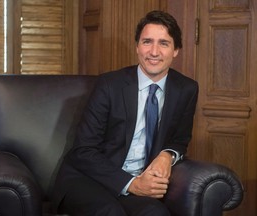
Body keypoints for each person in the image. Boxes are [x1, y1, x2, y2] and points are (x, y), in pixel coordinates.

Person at [52, 10, 199, 216]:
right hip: (87, 179)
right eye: (147, 42)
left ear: (176, 50)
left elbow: (180, 139)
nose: (154, 52)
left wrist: (167, 155)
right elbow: (83, 150)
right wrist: (131, 184)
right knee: (110, 212)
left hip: (139, 183)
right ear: (137, 46)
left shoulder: (186, 89)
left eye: (163, 43)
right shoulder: (109, 85)